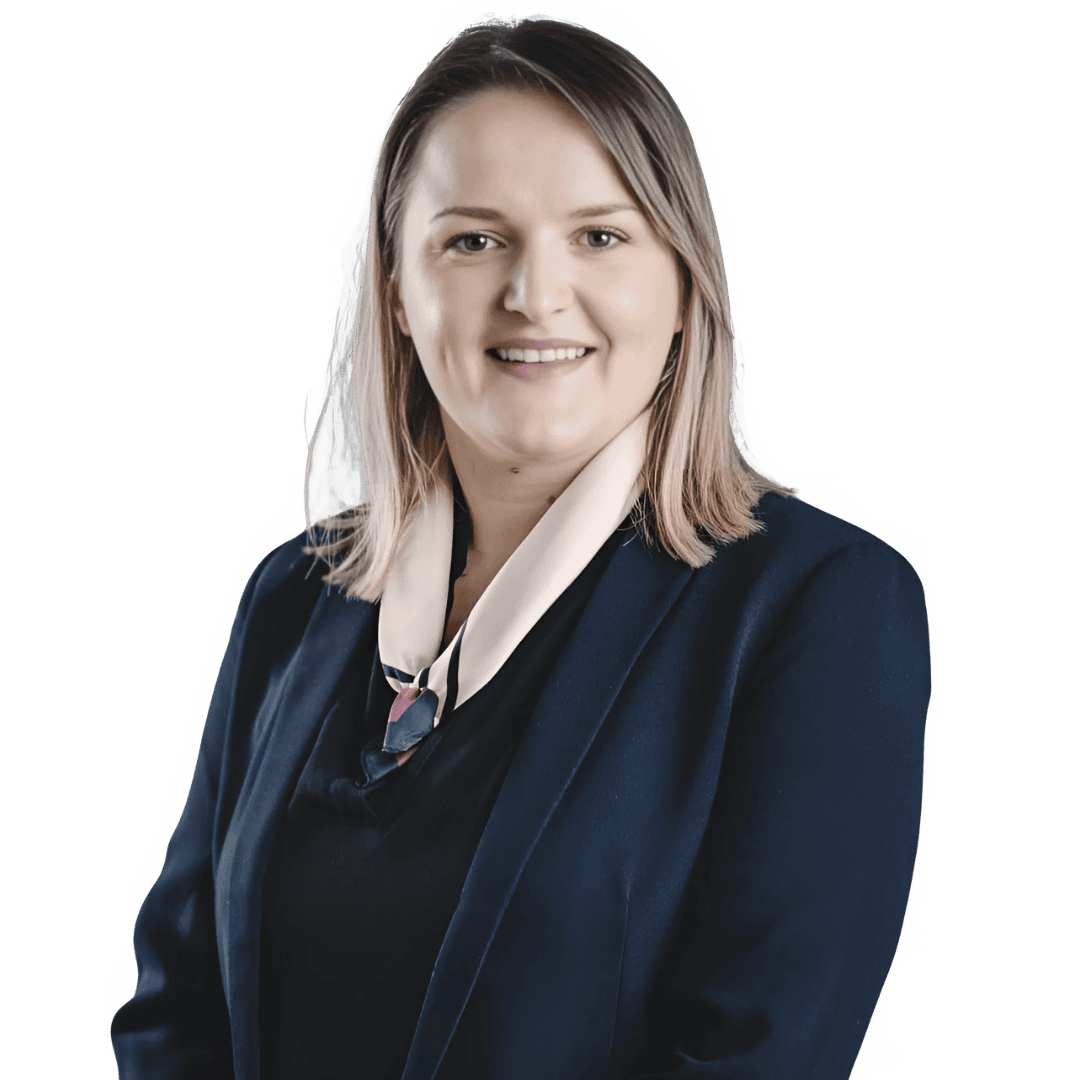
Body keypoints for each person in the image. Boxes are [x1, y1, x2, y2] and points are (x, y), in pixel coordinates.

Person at [110, 11, 931, 1079]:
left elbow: (754, 1053)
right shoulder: (293, 597)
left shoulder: (818, 607)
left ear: (686, 282)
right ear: (397, 292)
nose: (535, 295)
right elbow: (175, 1008)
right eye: (473, 240)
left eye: (600, 237)